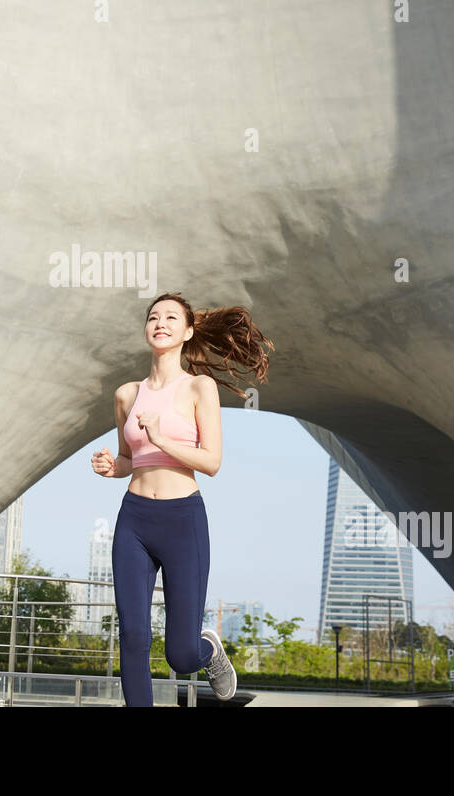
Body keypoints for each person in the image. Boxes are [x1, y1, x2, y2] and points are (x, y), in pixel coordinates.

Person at [90, 291, 274, 706]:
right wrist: (110, 466)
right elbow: (127, 459)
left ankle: (208, 650)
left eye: (172, 317)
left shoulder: (198, 387)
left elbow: (211, 462)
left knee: (181, 654)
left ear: (188, 331)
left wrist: (160, 437)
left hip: (182, 520)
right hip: (134, 520)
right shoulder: (126, 395)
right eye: (153, 316)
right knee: (133, 635)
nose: (160, 322)